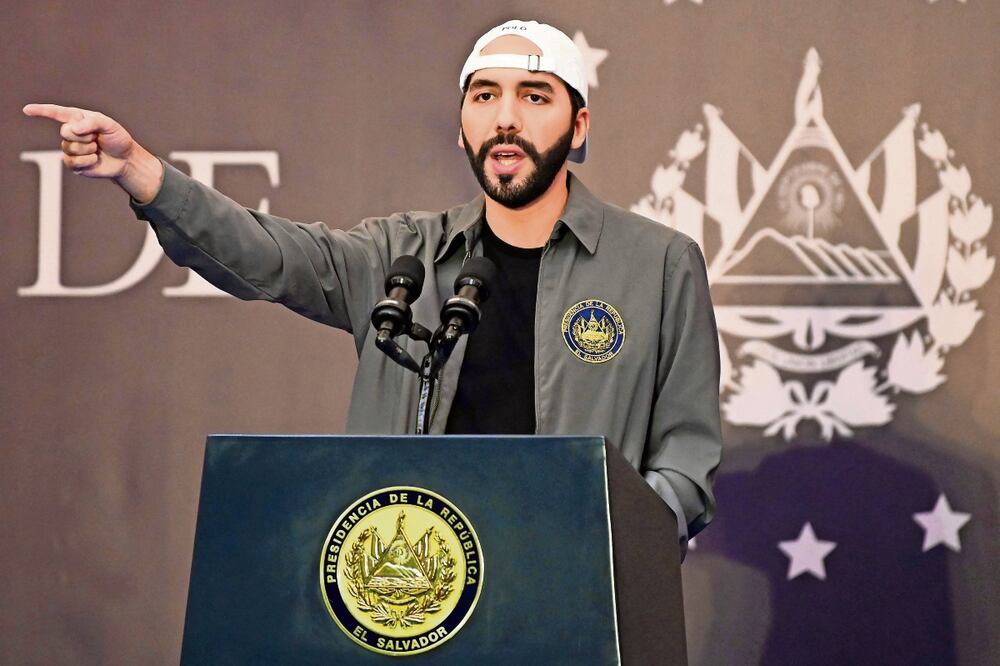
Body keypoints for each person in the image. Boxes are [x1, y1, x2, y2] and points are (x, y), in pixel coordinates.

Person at [23, 19, 721, 553]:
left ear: (578, 126)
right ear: (462, 128)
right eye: (485, 95)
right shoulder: (402, 255)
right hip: (410, 597)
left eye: (534, 96)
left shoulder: (659, 263)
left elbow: (687, 458)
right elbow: (270, 256)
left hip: (574, 600)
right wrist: (143, 173)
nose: (505, 116)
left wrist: (616, 548)